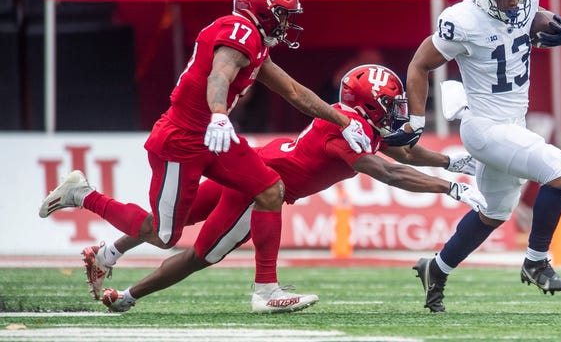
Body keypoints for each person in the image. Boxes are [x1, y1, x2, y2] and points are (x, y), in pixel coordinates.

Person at [40, 0, 372, 310]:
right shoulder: (240, 32)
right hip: (183, 138)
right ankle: (83, 195)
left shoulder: (254, 40)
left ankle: (266, 291)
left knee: (271, 189)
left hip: (213, 136)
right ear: (263, 11)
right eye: (284, 14)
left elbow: (293, 91)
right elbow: (220, 73)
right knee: (163, 235)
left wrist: (343, 121)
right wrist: (218, 113)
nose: (287, 23)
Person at [44, 65, 486, 313]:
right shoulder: (347, 129)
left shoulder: (357, 123)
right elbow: (390, 173)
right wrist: (449, 188)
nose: (396, 112)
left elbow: (403, 153)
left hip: (255, 165)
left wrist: (452, 161)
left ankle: (99, 237)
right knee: (202, 253)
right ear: (368, 106)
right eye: (389, 105)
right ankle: (129, 296)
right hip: (258, 186)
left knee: (171, 222)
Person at [382, 0, 561, 312]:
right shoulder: (462, 20)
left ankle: (436, 269)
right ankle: (536, 261)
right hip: (485, 128)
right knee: (560, 172)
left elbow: (530, 15)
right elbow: (419, 65)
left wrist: (556, 23)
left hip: (512, 125)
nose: (515, 2)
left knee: (494, 213)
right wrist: (417, 121)